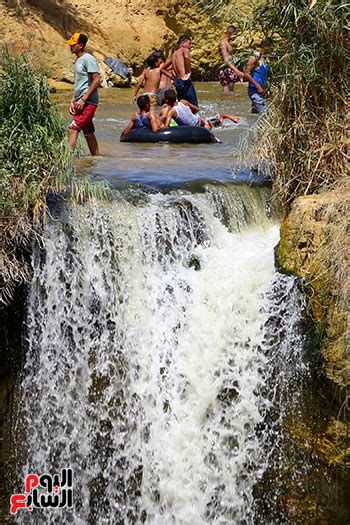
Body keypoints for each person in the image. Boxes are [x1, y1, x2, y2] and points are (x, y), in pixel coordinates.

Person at [66, 32, 100, 155]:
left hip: (88, 102)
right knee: (88, 132)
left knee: (74, 127)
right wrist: (73, 100)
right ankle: (97, 158)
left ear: (80, 46)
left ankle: (65, 159)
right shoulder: (78, 60)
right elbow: (79, 84)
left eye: (73, 44)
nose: (70, 47)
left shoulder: (88, 59)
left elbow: (97, 80)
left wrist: (83, 99)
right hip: (81, 101)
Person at [162, 89, 240, 129]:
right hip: (199, 121)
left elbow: (166, 126)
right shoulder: (183, 102)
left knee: (213, 127)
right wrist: (189, 115)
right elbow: (196, 109)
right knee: (219, 126)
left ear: (167, 101)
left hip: (197, 128)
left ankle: (224, 116)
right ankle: (223, 117)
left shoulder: (171, 112)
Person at [161, 35, 199, 106]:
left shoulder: (174, 54)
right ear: (183, 43)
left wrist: (173, 78)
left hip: (178, 82)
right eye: (189, 43)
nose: (190, 46)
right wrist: (189, 72)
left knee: (182, 105)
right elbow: (186, 56)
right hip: (185, 80)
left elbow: (162, 69)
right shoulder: (185, 49)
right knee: (194, 105)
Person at [244, 38, 273, 114]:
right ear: (266, 46)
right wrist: (258, 86)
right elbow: (246, 73)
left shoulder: (265, 59)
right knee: (264, 116)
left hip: (262, 92)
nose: (271, 49)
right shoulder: (256, 57)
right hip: (255, 91)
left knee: (255, 117)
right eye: (271, 47)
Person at [218, 26, 244, 94]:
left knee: (231, 91)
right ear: (231, 33)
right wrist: (237, 71)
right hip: (226, 69)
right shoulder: (223, 43)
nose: (236, 36)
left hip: (231, 69)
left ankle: (229, 104)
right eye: (235, 34)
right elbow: (226, 60)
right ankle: (224, 103)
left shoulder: (227, 42)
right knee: (227, 92)